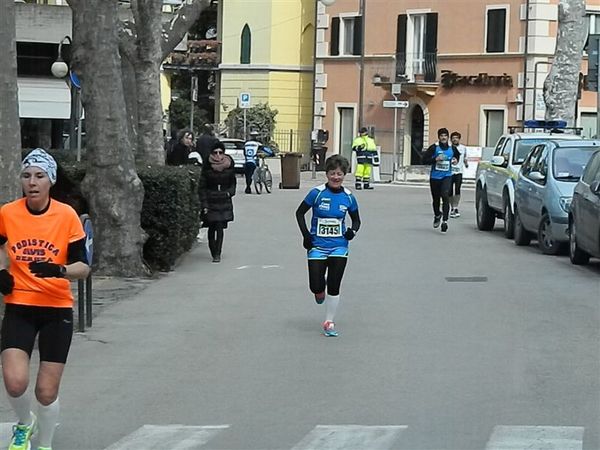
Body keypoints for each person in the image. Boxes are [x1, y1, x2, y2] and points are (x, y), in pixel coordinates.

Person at [0, 148, 90, 450]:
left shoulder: (66, 216)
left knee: (46, 392)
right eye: (26, 176)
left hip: (56, 309)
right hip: (19, 306)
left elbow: (84, 267)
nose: (32, 182)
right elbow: (0, 247)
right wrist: (2, 271)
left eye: (39, 176)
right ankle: (24, 424)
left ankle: (45, 444)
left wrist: (59, 269)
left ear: (50, 181)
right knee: (14, 381)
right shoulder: (7, 213)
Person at [295, 155, 361, 337]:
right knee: (316, 285)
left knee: (334, 284)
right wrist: (306, 236)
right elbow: (299, 213)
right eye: (332, 174)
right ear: (327, 174)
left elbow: (356, 221)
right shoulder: (316, 194)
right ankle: (318, 291)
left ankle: (329, 321)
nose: (336, 177)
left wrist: (352, 232)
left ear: (344, 175)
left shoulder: (348, 197)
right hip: (317, 245)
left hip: (339, 246)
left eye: (339, 174)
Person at [199, 141, 236, 263]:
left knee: (220, 227)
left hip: (223, 200)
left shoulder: (229, 165)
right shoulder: (207, 167)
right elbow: (202, 187)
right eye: (215, 152)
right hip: (211, 200)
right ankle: (212, 249)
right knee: (211, 227)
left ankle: (217, 253)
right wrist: (204, 204)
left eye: (220, 152)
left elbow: (232, 184)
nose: (218, 155)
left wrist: (229, 193)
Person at [422, 128, 461, 232]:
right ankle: (437, 215)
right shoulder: (434, 148)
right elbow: (424, 160)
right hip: (435, 177)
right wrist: (435, 159)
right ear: (439, 137)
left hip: (447, 176)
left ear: (448, 137)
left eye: (445, 136)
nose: (443, 137)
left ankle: (445, 221)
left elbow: (457, 156)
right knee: (436, 199)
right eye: (441, 136)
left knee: (445, 196)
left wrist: (455, 160)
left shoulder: (452, 148)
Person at [449, 131, 468, 218]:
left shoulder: (463, 148)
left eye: (456, 138)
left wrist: (466, 163)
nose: (455, 139)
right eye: (453, 138)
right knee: (449, 191)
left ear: (459, 139)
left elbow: (465, 158)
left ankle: (455, 207)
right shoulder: (448, 148)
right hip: (449, 172)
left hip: (459, 172)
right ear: (451, 139)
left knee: (457, 190)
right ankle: (452, 207)